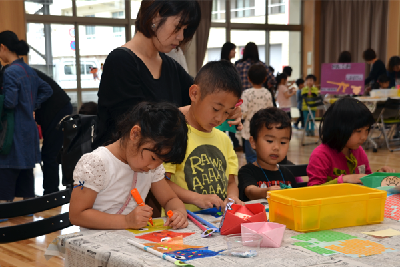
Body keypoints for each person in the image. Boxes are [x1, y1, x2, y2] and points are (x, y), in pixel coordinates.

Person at [94, 0, 242, 150]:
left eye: (185, 29)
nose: (181, 37)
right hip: (119, 169)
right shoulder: (120, 61)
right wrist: (182, 112)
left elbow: (202, 100)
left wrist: (227, 110)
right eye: (178, 27)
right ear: (155, 16)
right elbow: (133, 126)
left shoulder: (170, 66)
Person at [69, 102, 189, 230]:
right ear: (135, 134)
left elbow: (169, 199)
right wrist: (126, 221)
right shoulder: (96, 163)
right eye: (153, 158)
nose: (153, 166)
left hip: (129, 242)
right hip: (95, 242)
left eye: (161, 162)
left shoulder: (151, 167)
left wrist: (178, 213)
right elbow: (77, 215)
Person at [164, 61, 244, 212]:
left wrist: (232, 198)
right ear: (194, 93)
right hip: (182, 222)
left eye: (227, 112)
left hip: (216, 222)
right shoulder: (175, 135)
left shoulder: (224, 140)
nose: (220, 118)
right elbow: (161, 182)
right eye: (216, 109)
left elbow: (231, 182)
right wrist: (197, 198)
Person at [0, 31, 53, 202]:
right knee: (27, 171)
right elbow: (47, 90)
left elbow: (9, 103)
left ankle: (5, 214)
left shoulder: (9, 72)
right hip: (29, 128)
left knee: (7, 169)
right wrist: (32, 105)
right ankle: (28, 213)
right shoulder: (27, 70)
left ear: (3, 47)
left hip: (13, 129)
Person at [307, 97, 395, 186]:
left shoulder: (359, 151)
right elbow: (313, 190)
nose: (364, 137)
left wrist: (379, 175)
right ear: (339, 128)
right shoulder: (321, 155)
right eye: (358, 131)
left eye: (367, 130)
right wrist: (344, 180)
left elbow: (365, 179)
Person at [238, 108, 298, 202]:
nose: (276, 147)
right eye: (270, 141)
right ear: (253, 142)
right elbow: (250, 192)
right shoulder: (247, 171)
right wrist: (267, 192)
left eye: (283, 142)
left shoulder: (287, 174)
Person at [33, 68, 73, 195]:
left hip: (57, 110)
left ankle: (51, 193)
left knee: (50, 153)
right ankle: (51, 190)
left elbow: (47, 90)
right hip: (56, 109)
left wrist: (32, 107)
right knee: (51, 153)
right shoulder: (22, 70)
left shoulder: (13, 73)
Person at [241, 64, 273, 164]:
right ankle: (262, 176)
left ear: (248, 78)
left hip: (249, 131)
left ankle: (253, 177)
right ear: (265, 79)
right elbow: (270, 111)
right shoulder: (267, 93)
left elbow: (243, 113)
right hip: (264, 130)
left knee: (251, 157)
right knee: (263, 156)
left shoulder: (246, 93)